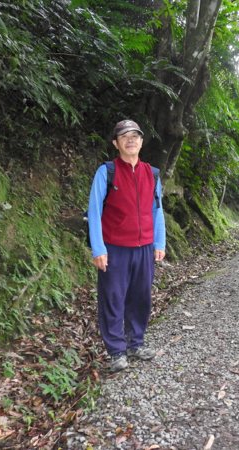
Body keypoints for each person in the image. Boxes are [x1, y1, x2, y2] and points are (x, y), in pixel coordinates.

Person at [87, 119, 166, 372]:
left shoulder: (152, 174)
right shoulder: (106, 172)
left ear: (141, 142)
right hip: (115, 248)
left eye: (135, 136)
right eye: (124, 136)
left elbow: (157, 210)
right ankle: (116, 351)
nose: (130, 140)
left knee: (140, 297)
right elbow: (94, 211)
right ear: (115, 143)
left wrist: (159, 242)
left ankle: (136, 343)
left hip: (144, 247)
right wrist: (98, 248)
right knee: (113, 298)